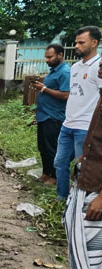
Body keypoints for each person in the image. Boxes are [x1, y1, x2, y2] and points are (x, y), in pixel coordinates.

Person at [48, 58, 102, 269]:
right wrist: (85, 155)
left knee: (87, 247)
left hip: (97, 186)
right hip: (89, 173)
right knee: (92, 243)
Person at [54, 26, 102, 200]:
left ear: (94, 43)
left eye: (82, 43)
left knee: (82, 167)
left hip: (85, 127)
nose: (77, 46)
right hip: (67, 125)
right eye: (76, 42)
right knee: (60, 163)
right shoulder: (74, 68)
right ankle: (62, 197)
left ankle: (79, 202)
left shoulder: (99, 67)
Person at [31, 44, 70, 186]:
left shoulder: (65, 72)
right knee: (43, 147)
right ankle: (46, 173)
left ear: (60, 55)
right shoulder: (53, 72)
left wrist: (44, 89)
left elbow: (65, 95)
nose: (47, 60)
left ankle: (54, 176)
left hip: (54, 117)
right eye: (46, 57)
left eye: (50, 57)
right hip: (44, 115)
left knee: (51, 147)